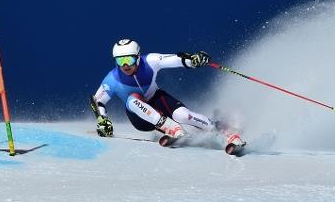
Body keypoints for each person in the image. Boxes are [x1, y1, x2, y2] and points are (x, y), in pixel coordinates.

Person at [89, 38, 246, 153]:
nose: (125, 65)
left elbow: (174, 59)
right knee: (131, 100)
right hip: (140, 117)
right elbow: (97, 100)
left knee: (183, 115)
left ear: (137, 57)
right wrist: (102, 120)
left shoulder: (150, 61)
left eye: (129, 60)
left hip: (157, 99)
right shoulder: (112, 78)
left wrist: (193, 60)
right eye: (120, 60)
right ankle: (169, 127)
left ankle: (223, 130)